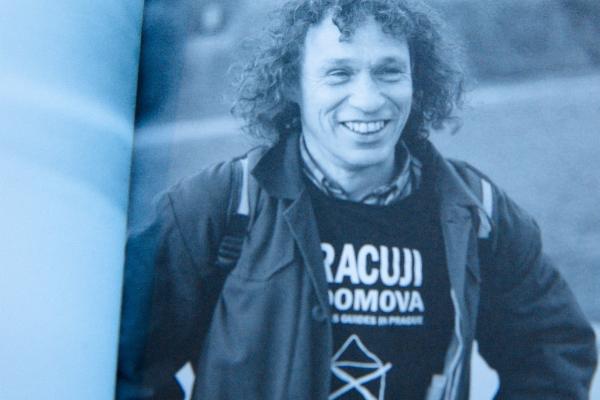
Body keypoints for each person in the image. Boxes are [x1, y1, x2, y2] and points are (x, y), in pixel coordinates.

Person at [116, 0, 597, 399]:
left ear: (417, 79)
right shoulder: (219, 206)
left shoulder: (475, 210)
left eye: (389, 72)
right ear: (292, 84)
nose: (368, 99)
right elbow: (121, 361)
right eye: (339, 73)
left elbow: (553, 349)